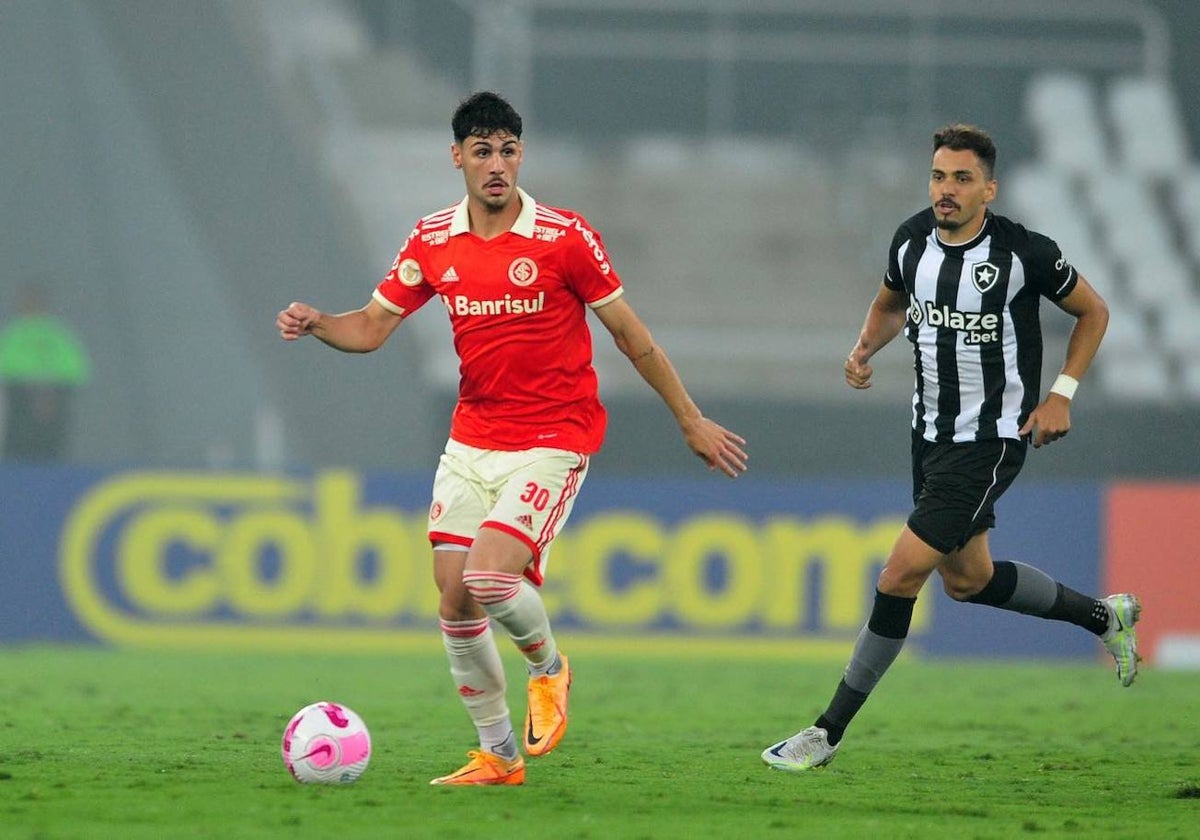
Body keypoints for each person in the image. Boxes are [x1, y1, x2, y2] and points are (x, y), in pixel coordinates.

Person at [277, 91, 748, 786]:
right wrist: (318, 321)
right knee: (454, 597)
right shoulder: (433, 240)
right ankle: (498, 755)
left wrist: (688, 418)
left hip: (555, 435)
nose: (497, 165)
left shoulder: (563, 236)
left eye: (507, 151)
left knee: (490, 576)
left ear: (519, 155)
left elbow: (629, 334)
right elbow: (371, 329)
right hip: (473, 438)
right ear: (458, 157)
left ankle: (549, 668)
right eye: (482, 151)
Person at [762, 123, 1138, 772]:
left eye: (962, 179)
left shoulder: (1024, 254)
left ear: (988, 189)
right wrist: (862, 348)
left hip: (989, 441)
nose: (947, 189)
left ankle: (826, 733)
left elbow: (1094, 311)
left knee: (899, 574)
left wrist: (1063, 393)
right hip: (928, 436)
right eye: (939, 176)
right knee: (969, 580)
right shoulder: (911, 240)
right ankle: (1105, 617)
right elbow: (888, 304)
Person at [0, 281, 91, 462]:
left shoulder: (58, 335)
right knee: (20, 449)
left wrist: (50, 388)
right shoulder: (13, 334)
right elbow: (6, 368)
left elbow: (78, 371)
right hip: (20, 404)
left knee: (50, 449)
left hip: (54, 406)